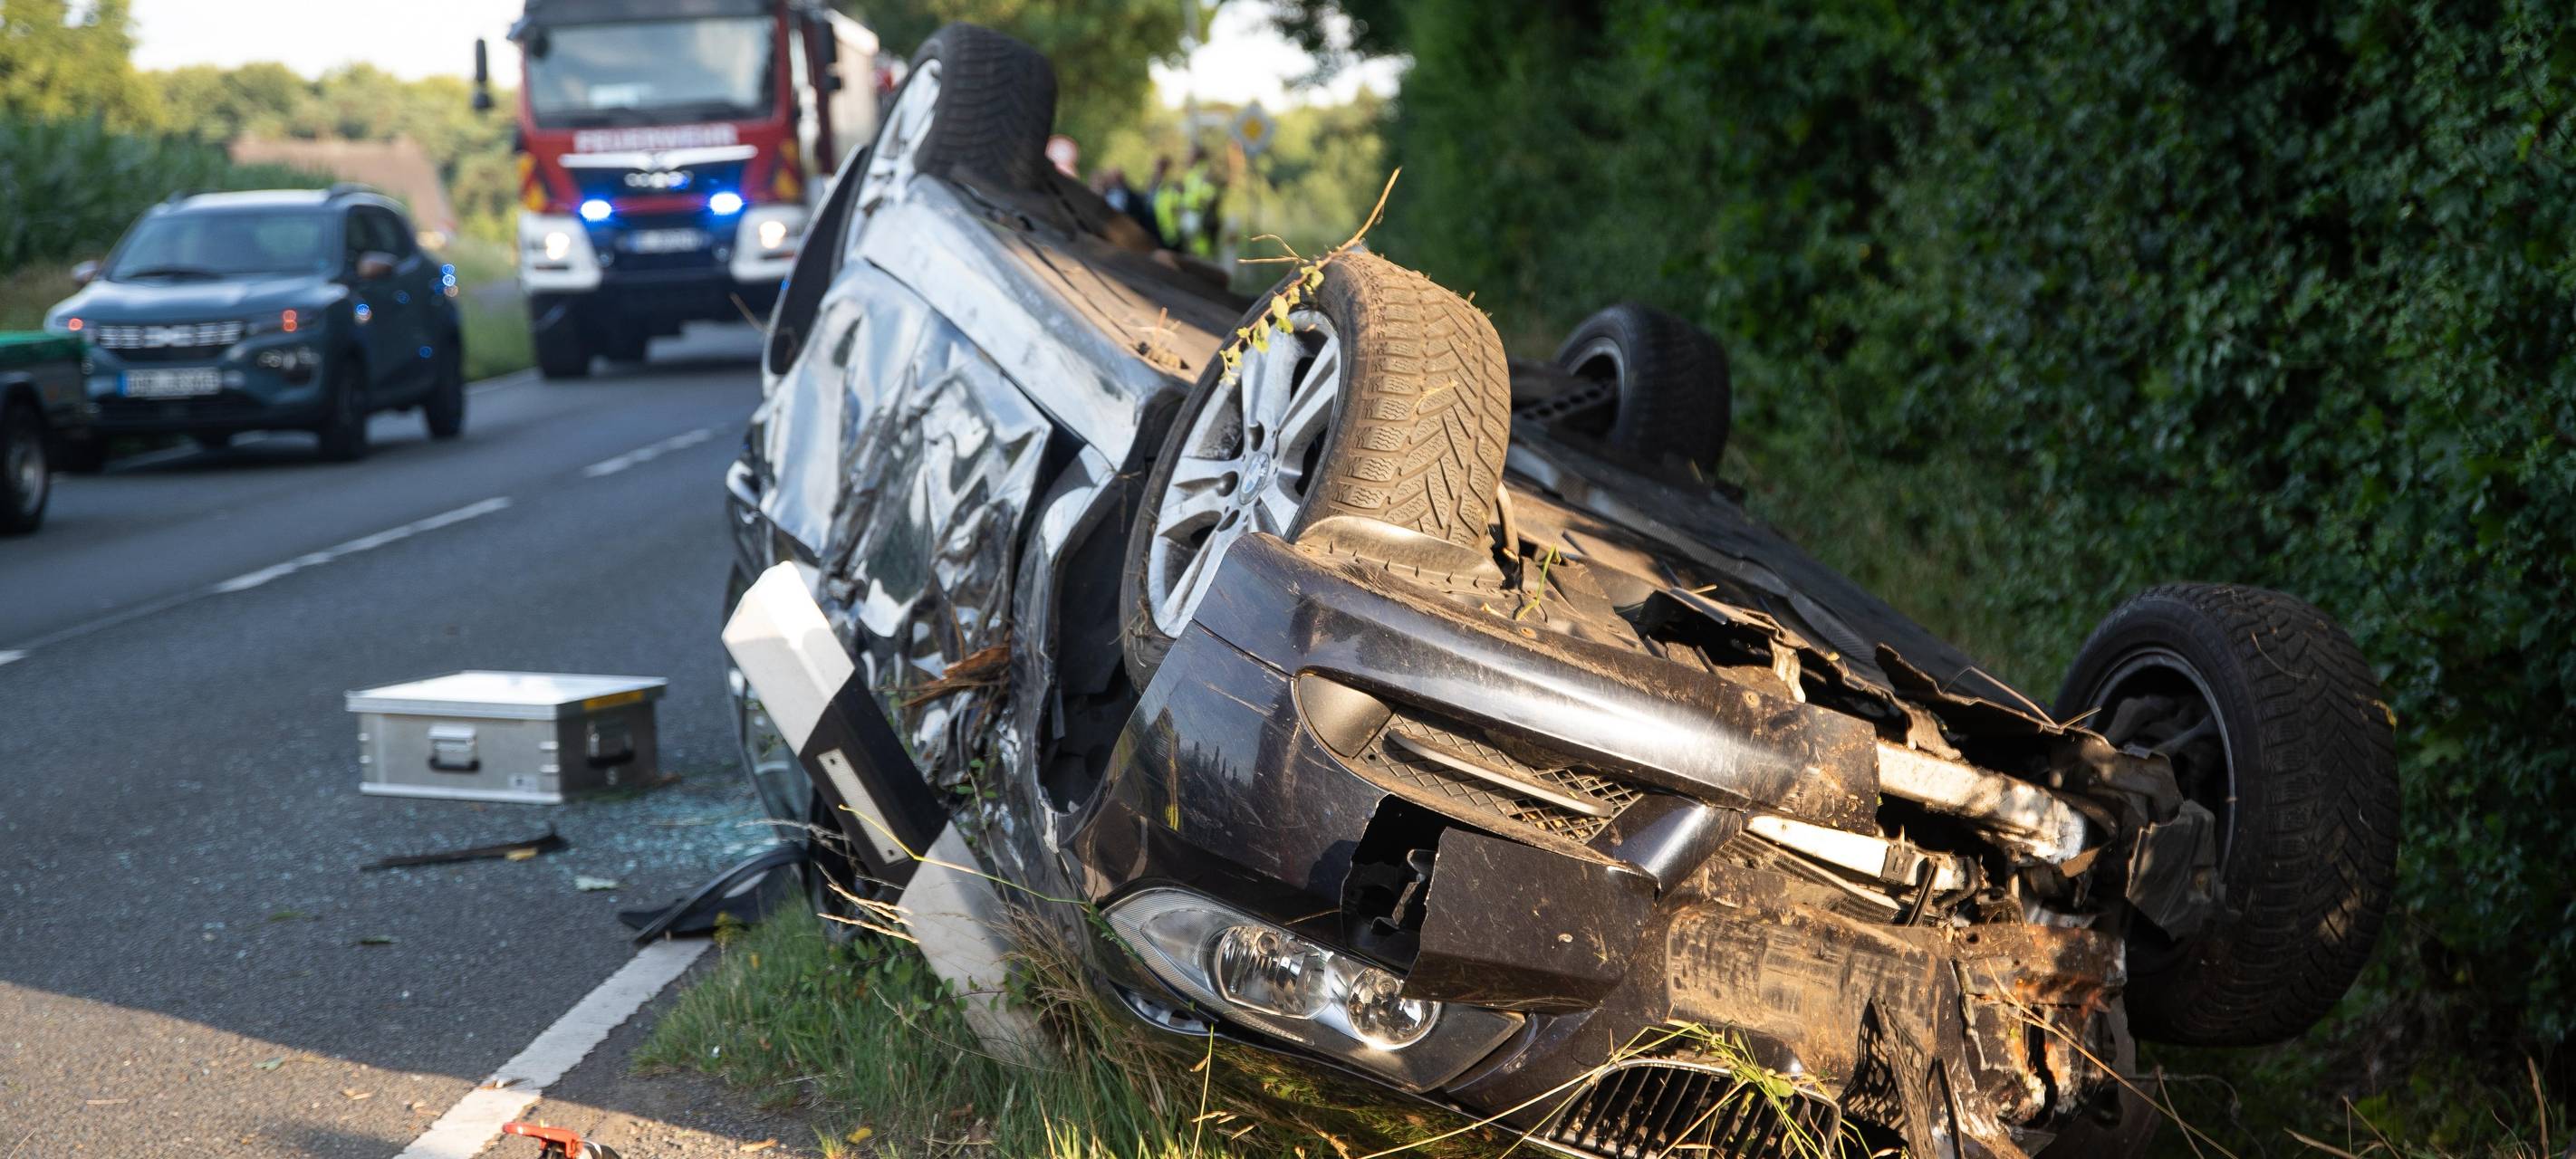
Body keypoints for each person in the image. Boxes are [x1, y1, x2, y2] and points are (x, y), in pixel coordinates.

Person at [1153, 147, 1224, 258]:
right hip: (1190, 217)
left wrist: (1201, 207)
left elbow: (1211, 194)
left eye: (1189, 155)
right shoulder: (1192, 173)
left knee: (1201, 255)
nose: (1187, 158)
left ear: (1197, 157)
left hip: (1198, 216)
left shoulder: (1203, 172)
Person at [1092, 166, 1164, 246]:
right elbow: (1145, 201)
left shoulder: (1119, 195)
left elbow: (1144, 198)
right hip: (1150, 235)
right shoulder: (1119, 198)